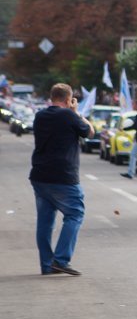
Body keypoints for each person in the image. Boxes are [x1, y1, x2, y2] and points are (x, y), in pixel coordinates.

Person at [30, 83, 93, 276]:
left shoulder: (40, 116)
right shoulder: (68, 115)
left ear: (51, 97)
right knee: (75, 214)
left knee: (45, 222)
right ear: (68, 99)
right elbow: (89, 132)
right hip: (63, 176)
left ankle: (47, 265)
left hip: (40, 176)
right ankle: (61, 259)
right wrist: (76, 112)